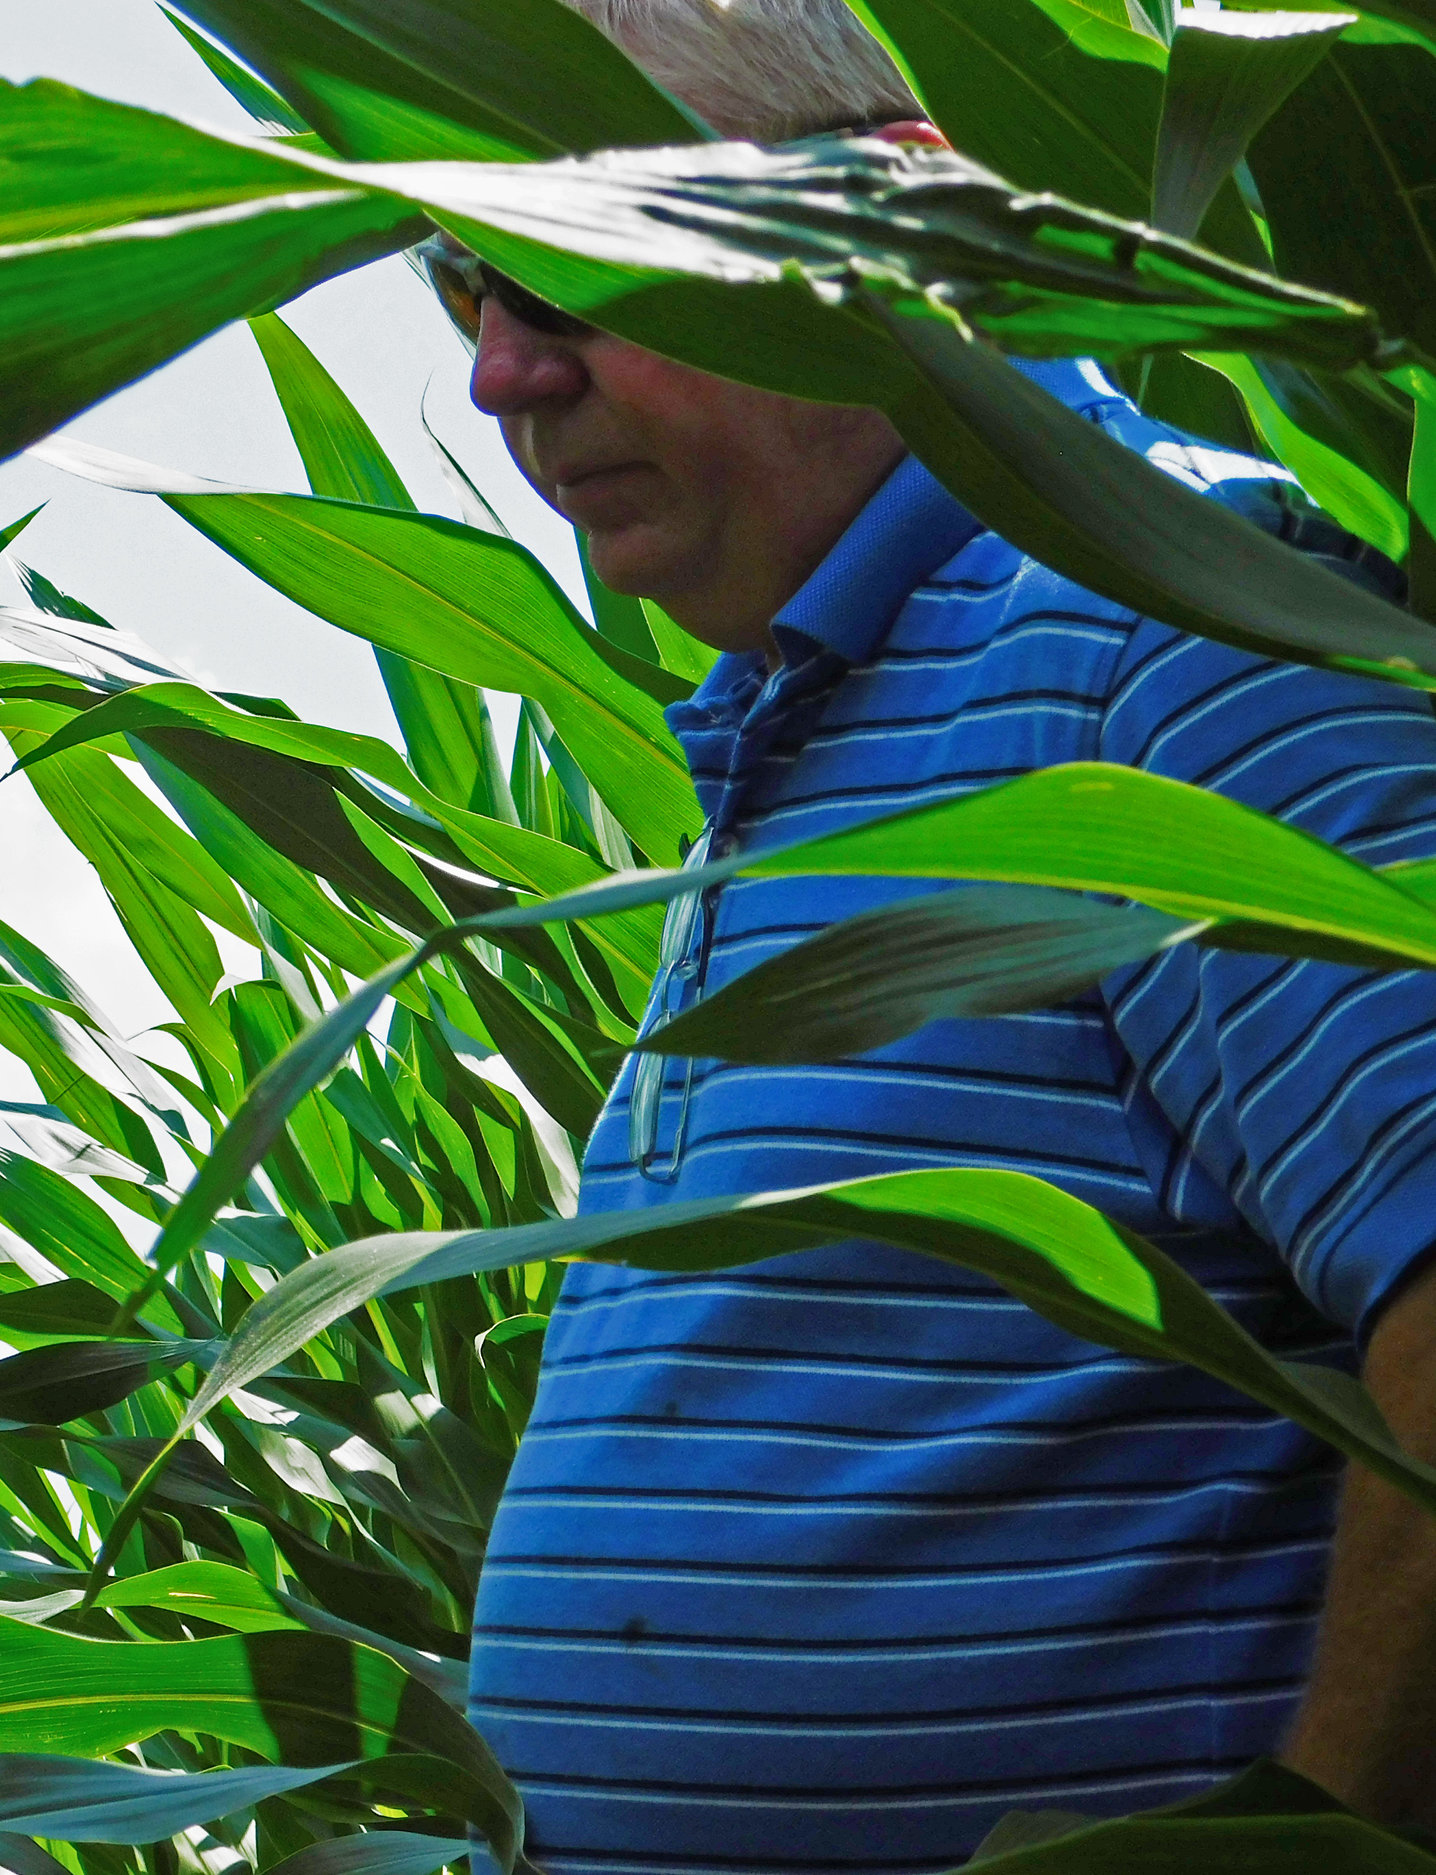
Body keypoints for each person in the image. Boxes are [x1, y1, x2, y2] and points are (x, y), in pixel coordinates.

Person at [442, 2, 1436, 1869]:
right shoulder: (822, 717)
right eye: (458, 286)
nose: (502, 375)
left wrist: (1306, 1843)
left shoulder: (1169, 631)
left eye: (572, 268)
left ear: (889, 223)